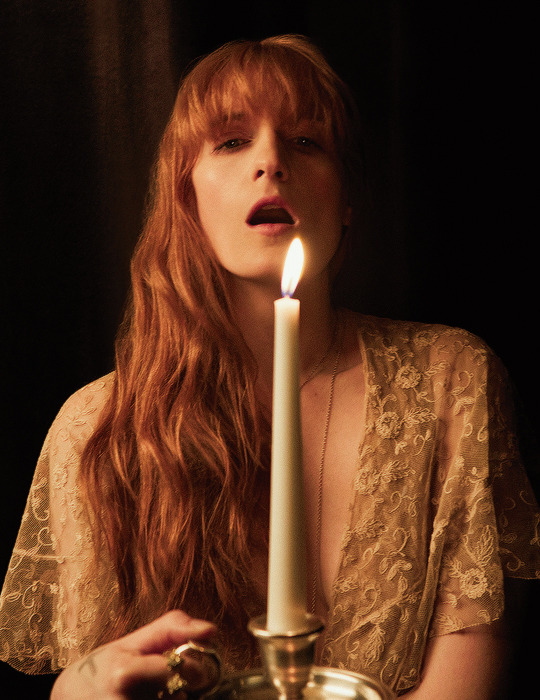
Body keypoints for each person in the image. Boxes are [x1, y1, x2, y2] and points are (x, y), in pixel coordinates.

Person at [0, 34, 539, 700]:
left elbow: (470, 667)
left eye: (306, 142)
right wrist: (77, 690)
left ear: (346, 199)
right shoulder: (96, 428)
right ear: (185, 197)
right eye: (231, 142)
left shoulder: (450, 381)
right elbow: (93, 673)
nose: (271, 162)